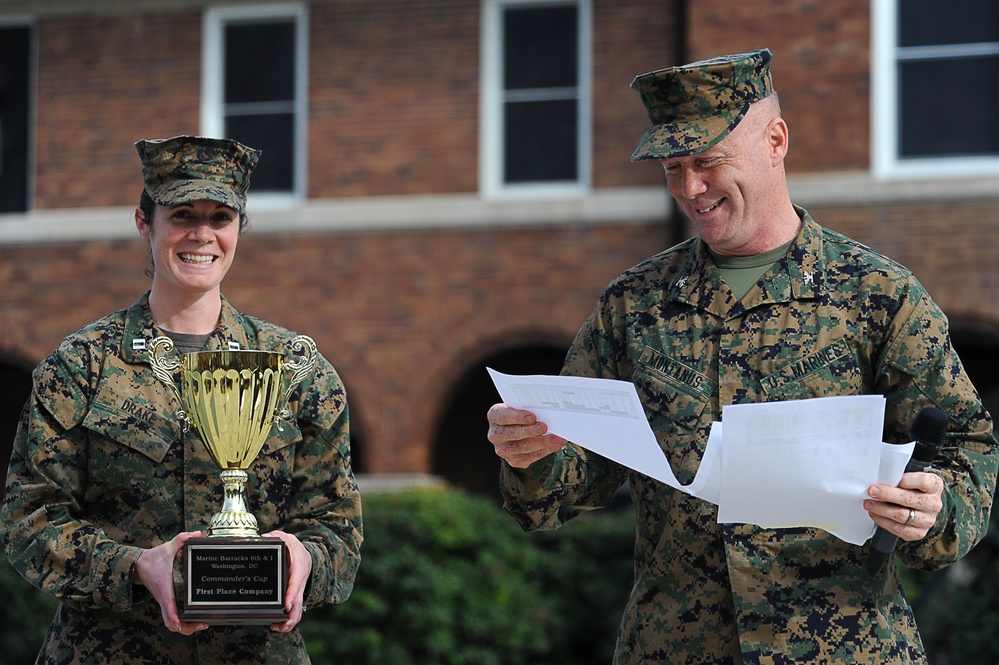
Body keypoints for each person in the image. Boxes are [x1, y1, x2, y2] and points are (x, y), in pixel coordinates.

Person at [486, 49, 998, 664]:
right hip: (675, 648)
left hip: (847, 646)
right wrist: (530, 455)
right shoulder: (633, 306)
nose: (690, 188)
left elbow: (967, 442)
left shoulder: (877, 294)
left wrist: (934, 506)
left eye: (708, 162)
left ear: (775, 140)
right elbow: (562, 491)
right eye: (674, 168)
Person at [1, 136, 362, 664]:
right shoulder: (81, 365)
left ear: (239, 229)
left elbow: (338, 526)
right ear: (144, 224)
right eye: (182, 215)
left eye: (221, 217)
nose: (202, 235)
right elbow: (28, 519)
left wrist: (306, 559)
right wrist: (132, 567)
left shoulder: (296, 369)